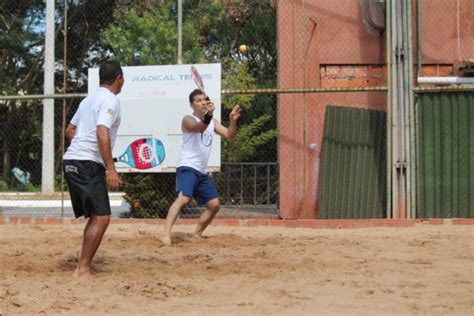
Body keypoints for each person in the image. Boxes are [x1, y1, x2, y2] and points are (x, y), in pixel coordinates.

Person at [63, 60, 124, 277]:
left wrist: (87, 147)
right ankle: (82, 268)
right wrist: (111, 168)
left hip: (71, 161)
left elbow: (70, 130)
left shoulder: (88, 100)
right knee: (102, 217)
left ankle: (83, 264)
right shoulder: (111, 100)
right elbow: (101, 131)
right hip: (86, 163)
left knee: (97, 217)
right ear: (119, 78)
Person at [160, 89, 242, 246]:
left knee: (214, 205)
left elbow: (229, 135)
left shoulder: (212, 121)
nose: (202, 102)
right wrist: (209, 115)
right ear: (192, 105)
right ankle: (165, 235)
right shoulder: (188, 119)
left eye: (204, 99)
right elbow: (199, 127)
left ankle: (197, 233)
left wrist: (232, 120)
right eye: (198, 100)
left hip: (201, 171)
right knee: (183, 199)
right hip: (187, 167)